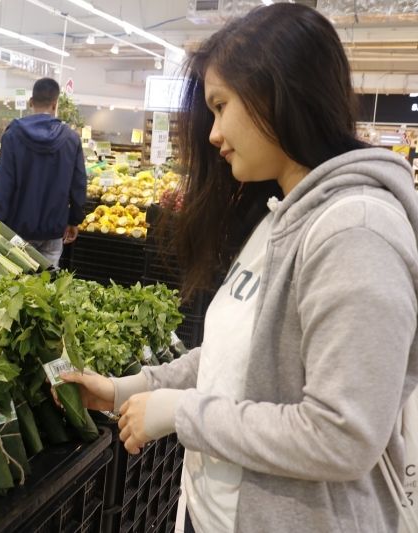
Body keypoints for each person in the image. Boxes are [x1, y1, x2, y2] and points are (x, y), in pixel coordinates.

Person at [63, 4, 418, 533]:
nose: (212, 133)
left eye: (221, 105)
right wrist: (130, 388)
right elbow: (243, 353)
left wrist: (181, 413)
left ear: (276, 94)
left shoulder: (356, 230)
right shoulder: (281, 217)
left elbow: (343, 435)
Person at [0, 77, 87, 268]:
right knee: (47, 285)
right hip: (53, 228)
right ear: (55, 103)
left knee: (15, 284)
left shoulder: (13, 135)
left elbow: (3, 182)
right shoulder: (71, 139)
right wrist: (74, 219)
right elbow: (79, 185)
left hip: (16, 229)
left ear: (31, 102)